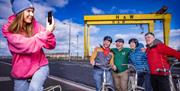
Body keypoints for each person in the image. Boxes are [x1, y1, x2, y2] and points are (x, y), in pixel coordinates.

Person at [2, 0, 56, 91]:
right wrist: (46, 33)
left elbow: (51, 45)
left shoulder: (37, 26)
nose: (31, 14)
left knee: (34, 88)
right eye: (28, 11)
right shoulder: (9, 30)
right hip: (21, 72)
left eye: (32, 11)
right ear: (19, 12)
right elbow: (26, 46)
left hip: (40, 66)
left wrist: (49, 33)